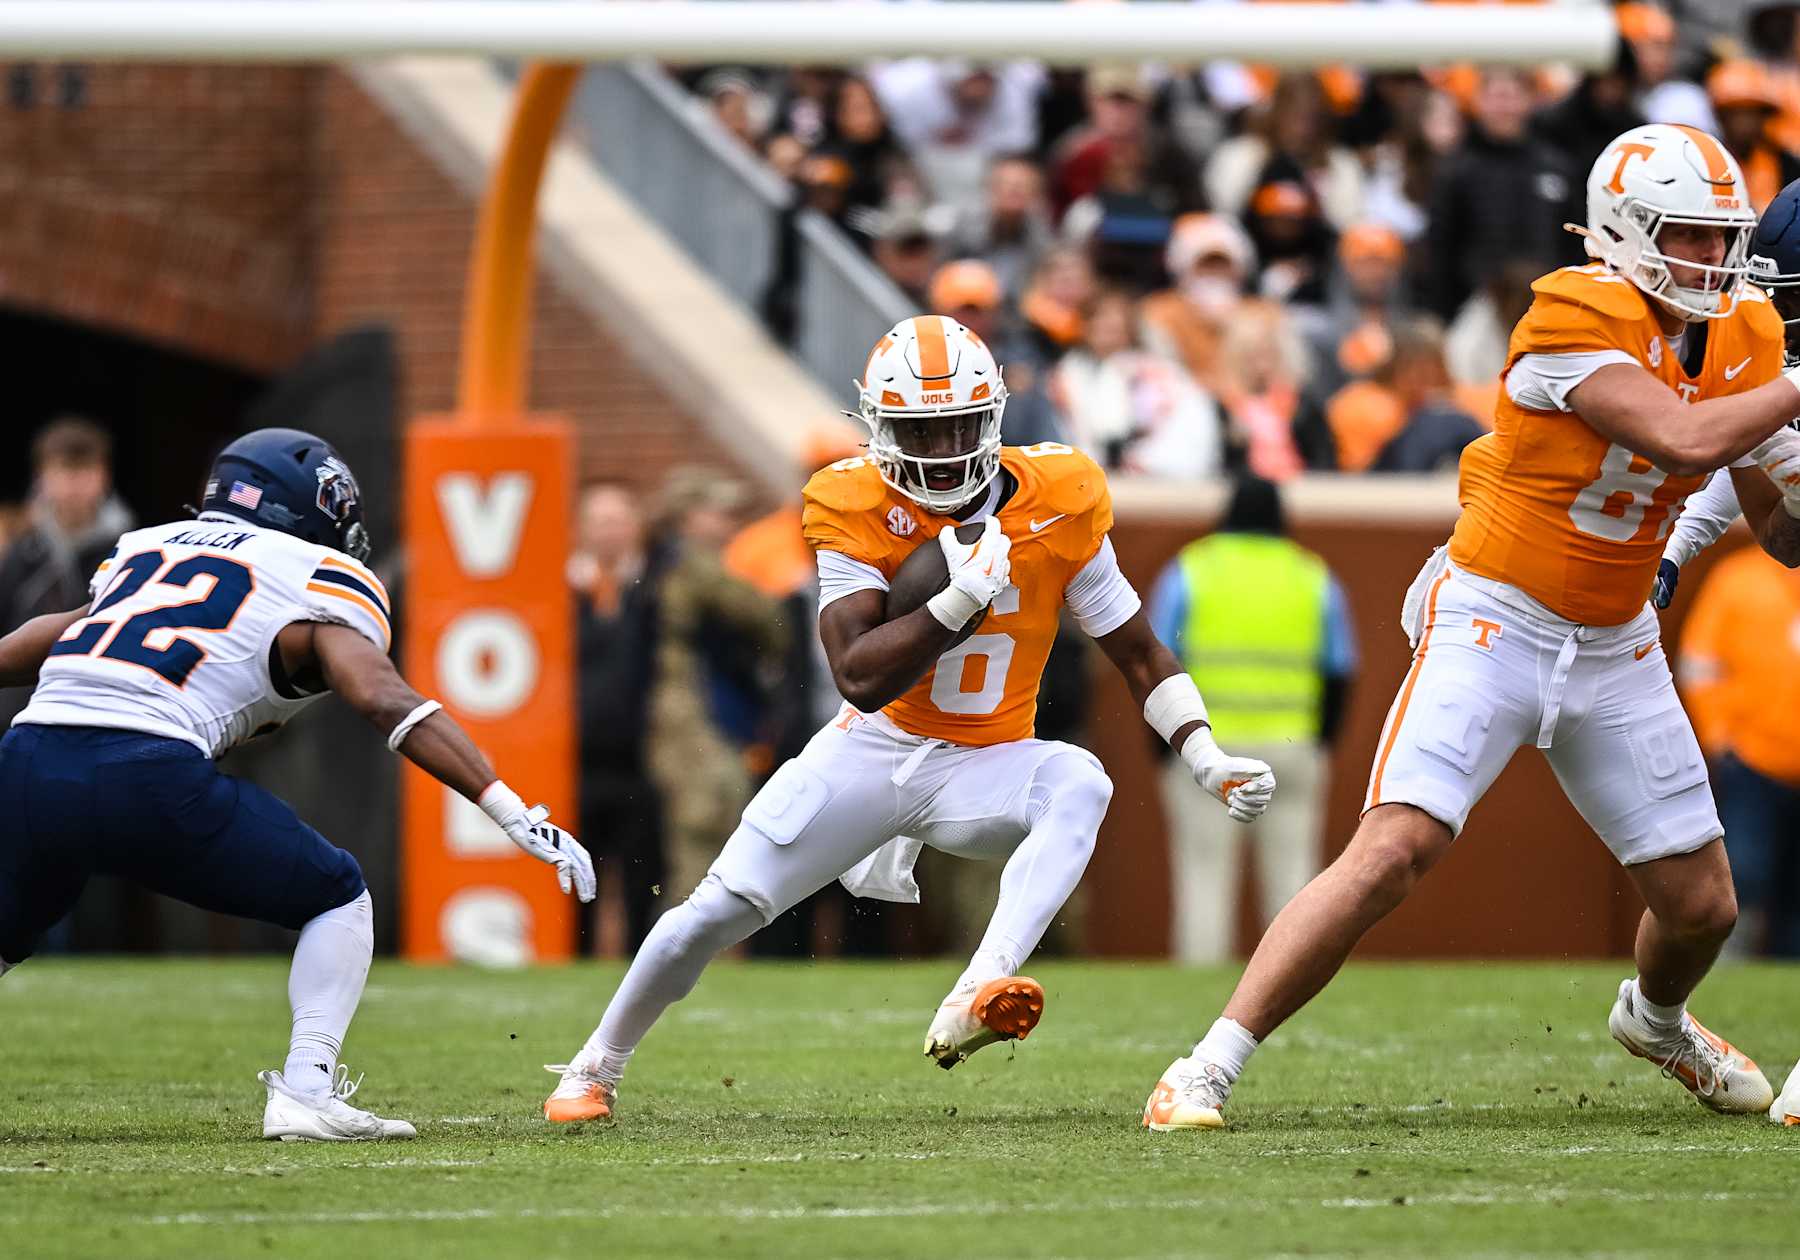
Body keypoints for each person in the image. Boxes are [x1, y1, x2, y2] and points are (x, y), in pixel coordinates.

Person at [1144, 124, 1800, 1132]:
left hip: (1617, 638)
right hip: (1497, 615)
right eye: (1687, 235)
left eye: (1722, 237)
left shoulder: (1748, 335)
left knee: (1703, 906)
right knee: (1392, 851)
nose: (1711, 258)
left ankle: (1657, 1021)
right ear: (1625, 232)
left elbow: (1779, 536)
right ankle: (1205, 1066)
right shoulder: (1572, 311)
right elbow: (1678, 436)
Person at [543, 315, 1278, 1123]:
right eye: (919, 432)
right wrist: (954, 604)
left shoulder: (1061, 497)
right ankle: (593, 1067)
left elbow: (1137, 651)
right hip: (875, 750)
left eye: (958, 426)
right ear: (879, 429)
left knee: (1082, 780)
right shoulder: (852, 499)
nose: (941, 450)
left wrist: (1204, 753)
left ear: (992, 417)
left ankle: (979, 987)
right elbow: (857, 675)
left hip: (985, 765)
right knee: (709, 915)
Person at [0, 428, 593, 1140]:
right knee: (337, 895)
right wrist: (506, 806)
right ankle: (307, 1090)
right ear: (298, 503)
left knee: (10, 927)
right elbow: (383, 698)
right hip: (146, 766)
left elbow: (62, 631)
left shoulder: (145, 547)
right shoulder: (312, 575)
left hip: (29, 756)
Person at [1149, 474, 1357, 963]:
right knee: (1293, 879)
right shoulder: (1312, 575)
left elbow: (1157, 664)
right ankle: (1292, 982)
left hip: (1207, 748)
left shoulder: (1190, 570)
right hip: (1292, 746)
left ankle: (1200, 988)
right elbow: (1340, 671)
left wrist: (1164, 749)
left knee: (1203, 876)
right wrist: (1321, 743)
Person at [643, 467, 790, 906]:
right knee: (705, 844)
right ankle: (690, 938)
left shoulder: (665, 563)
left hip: (701, 720)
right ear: (688, 517)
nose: (730, 522)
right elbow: (769, 619)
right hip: (691, 724)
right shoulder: (691, 565)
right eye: (718, 512)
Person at [1676, 545, 1800, 957]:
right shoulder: (1738, 579)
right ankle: (1724, 969)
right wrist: (1720, 739)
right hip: (1753, 766)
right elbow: (1698, 663)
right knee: (1743, 873)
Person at [569, 482, 664, 953]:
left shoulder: (658, 590)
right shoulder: (563, 591)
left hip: (641, 758)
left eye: (618, 520)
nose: (609, 532)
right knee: (574, 880)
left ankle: (639, 971)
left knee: (643, 880)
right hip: (576, 760)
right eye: (599, 521)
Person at [0, 419, 134, 730]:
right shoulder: (24, 548)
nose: (74, 485)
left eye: (85, 471)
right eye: (63, 470)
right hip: (12, 709)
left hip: (87, 707)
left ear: (104, 475)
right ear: (41, 477)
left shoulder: (128, 548)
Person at [1422, 67, 1583, 322]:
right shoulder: (1457, 170)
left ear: (1529, 100)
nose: (1503, 107)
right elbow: (1441, 247)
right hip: (1479, 306)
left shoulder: (1556, 166)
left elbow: (1574, 240)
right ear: (1479, 102)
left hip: (1548, 301)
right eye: (1496, 97)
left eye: (1511, 97)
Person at [1052, 288, 1225, 478]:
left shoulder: (1163, 375)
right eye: (1098, 322)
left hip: (1153, 475)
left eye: (1115, 327)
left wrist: (1141, 459)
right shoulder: (1066, 373)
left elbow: (1187, 430)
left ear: (1130, 330)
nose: (1106, 330)